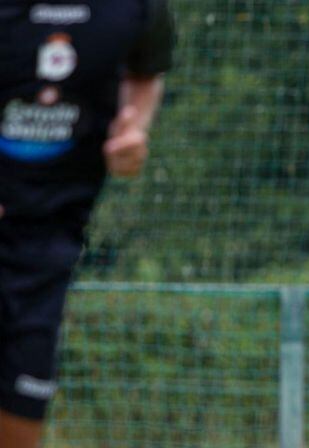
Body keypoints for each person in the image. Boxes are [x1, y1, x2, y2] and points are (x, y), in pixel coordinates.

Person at [0, 1, 174, 446]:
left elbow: (145, 71)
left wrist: (134, 130)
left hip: (45, 250)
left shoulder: (135, 11)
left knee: (19, 422)